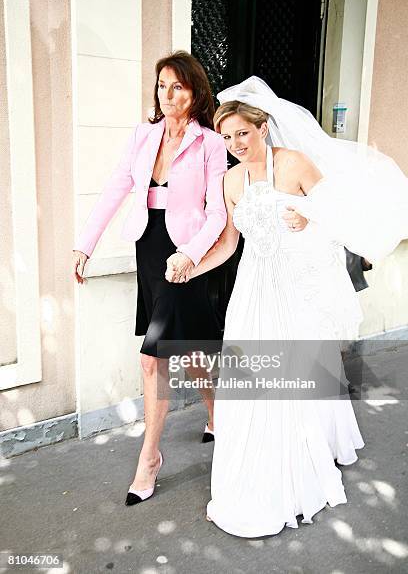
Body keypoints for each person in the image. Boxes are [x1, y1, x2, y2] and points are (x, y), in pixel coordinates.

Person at [166, 77, 408, 537]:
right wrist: (189, 263)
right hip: (254, 292)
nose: (236, 143)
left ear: (263, 127)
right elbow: (227, 245)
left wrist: (311, 214)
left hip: (296, 290)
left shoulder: (295, 163)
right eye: (228, 136)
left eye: (243, 132)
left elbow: (343, 212)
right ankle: (251, 473)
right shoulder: (229, 181)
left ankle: (296, 469)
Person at [72, 51, 230, 506]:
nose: (168, 93)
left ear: (195, 92)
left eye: (177, 86)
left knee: (152, 355)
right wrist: (86, 244)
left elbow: (218, 212)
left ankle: (149, 458)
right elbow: (116, 188)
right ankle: (217, 413)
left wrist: (190, 255)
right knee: (189, 346)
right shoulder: (144, 135)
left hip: (186, 253)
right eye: (162, 85)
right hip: (150, 246)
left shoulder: (210, 143)